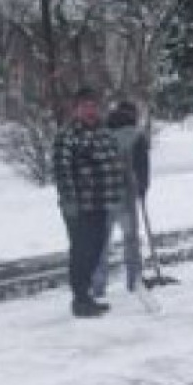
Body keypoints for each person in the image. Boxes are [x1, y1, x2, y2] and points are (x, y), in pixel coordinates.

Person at [52, 87, 127, 318]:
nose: (90, 111)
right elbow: (62, 171)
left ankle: (87, 295)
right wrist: (69, 202)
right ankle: (80, 299)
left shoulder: (104, 133)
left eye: (94, 106)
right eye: (85, 106)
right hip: (79, 206)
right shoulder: (68, 135)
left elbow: (114, 162)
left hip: (101, 204)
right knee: (81, 252)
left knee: (95, 251)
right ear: (75, 109)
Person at [91, 100, 151, 299]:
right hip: (126, 195)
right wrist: (142, 189)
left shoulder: (102, 135)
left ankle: (98, 285)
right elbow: (142, 167)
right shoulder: (137, 136)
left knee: (101, 243)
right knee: (131, 240)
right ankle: (134, 280)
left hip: (104, 196)